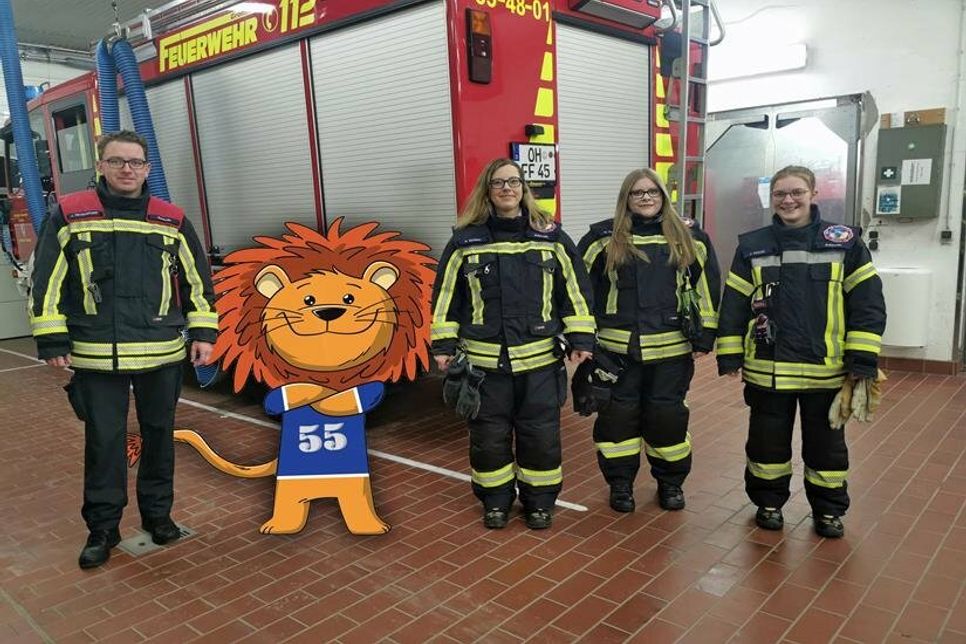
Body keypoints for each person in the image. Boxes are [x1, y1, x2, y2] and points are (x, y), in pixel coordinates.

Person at [29, 130, 218, 568]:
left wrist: (204, 334)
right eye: (117, 162)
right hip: (96, 354)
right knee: (105, 443)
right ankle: (103, 529)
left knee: (158, 440)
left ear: (147, 168)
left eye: (135, 162)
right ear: (101, 166)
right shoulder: (71, 214)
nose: (127, 170)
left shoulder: (171, 219)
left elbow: (197, 282)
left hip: (161, 354)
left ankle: (159, 517)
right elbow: (48, 280)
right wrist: (52, 338)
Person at [716, 165, 886, 538]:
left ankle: (827, 511)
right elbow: (734, 305)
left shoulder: (844, 243)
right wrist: (729, 355)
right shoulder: (752, 245)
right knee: (766, 444)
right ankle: (768, 504)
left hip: (826, 369)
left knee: (827, 449)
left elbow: (867, 304)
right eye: (780, 194)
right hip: (767, 369)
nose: (788, 200)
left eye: (796, 192)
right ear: (771, 199)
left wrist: (862, 359)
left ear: (813, 194)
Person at [430, 158, 595, 530]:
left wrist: (581, 338)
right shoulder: (464, 241)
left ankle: (539, 503)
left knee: (541, 438)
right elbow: (445, 298)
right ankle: (496, 502)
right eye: (498, 183)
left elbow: (576, 292)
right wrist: (442, 346)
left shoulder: (551, 237)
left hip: (539, 365)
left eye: (514, 182)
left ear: (525, 189)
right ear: (487, 191)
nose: (507, 189)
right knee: (489, 440)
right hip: (485, 369)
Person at [577, 168, 720, 513]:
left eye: (651, 192)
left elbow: (707, 288)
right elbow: (578, 290)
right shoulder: (602, 238)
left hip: (671, 352)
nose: (645, 198)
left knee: (667, 419)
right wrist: (581, 336)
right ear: (626, 199)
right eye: (637, 192)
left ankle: (670, 484)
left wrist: (706, 336)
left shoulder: (690, 238)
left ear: (663, 196)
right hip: (616, 353)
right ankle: (621, 484)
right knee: (617, 421)